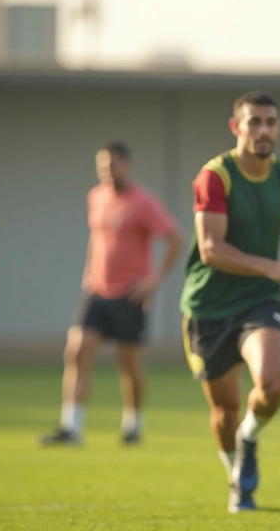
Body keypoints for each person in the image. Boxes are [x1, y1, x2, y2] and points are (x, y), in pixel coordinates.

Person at [181, 91, 280, 513]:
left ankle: (249, 440)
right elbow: (211, 248)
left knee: (272, 385)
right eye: (254, 122)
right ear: (237, 127)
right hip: (208, 307)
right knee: (225, 410)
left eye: (271, 122)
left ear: (279, 128)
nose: (263, 130)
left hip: (259, 302)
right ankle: (237, 477)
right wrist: (270, 266)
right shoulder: (216, 176)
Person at [41, 141, 182, 446]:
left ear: (127, 166)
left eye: (113, 164)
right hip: (97, 291)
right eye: (102, 165)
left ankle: (133, 424)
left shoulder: (143, 202)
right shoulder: (96, 196)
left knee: (127, 362)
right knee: (77, 352)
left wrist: (154, 281)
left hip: (130, 296)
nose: (107, 170)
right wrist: (88, 273)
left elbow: (175, 238)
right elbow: (97, 237)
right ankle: (72, 427)